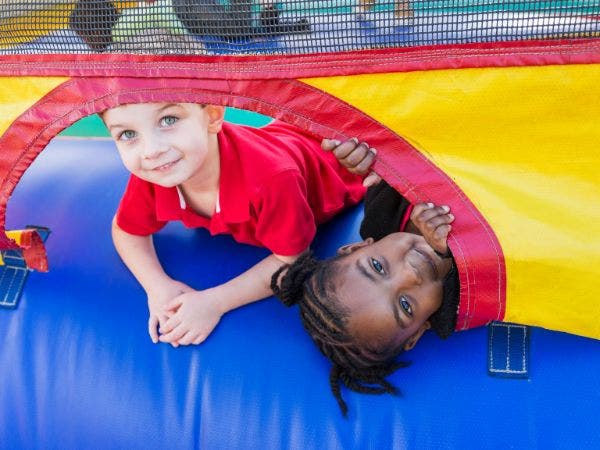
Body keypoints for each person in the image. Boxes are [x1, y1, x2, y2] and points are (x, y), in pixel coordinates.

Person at [101, 102, 365, 347]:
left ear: (213, 117)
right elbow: (125, 230)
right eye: (127, 134)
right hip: (283, 135)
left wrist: (214, 302)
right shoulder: (157, 170)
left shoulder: (273, 180)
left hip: (337, 150)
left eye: (169, 119)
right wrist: (157, 287)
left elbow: (293, 259)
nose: (151, 150)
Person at [270, 138, 460, 415]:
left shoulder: (380, 214)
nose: (409, 273)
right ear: (417, 332)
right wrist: (450, 251)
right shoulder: (463, 303)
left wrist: (370, 154)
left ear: (357, 246)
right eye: (405, 305)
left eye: (378, 267)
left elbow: (401, 143)